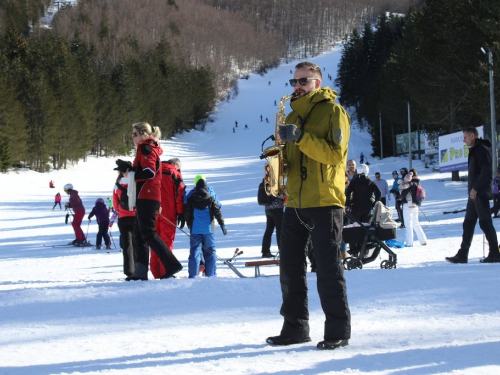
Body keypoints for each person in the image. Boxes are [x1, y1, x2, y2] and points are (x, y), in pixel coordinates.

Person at [266, 61, 351, 350]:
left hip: (325, 202)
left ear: (318, 82)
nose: (297, 86)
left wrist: (300, 137)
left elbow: (334, 155)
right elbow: (291, 162)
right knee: (289, 268)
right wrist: (277, 161)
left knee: (328, 268)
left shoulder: (334, 112)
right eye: (294, 82)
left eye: (304, 81)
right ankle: (295, 328)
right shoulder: (291, 115)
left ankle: (337, 331)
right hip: (295, 203)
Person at [124, 122, 183, 281]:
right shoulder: (145, 148)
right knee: (139, 234)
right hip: (147, 196)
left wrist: (130, 174)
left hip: (147, 196)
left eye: (135, 134)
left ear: (144, 134)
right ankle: (141, 271)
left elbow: (149, 172)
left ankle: (171, 264)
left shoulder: (146, 148)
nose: (133, 137)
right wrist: (129, 170)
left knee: (148, 233)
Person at [446, 127, 500, 263]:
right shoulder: (475, 149)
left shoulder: (481, 149)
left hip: (479, 192)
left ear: (472, 136)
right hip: (473, 194)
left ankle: (494, 252)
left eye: (465, 137)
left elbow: (486, 171)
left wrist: (475, 188)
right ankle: (462, 254)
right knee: (468, 223)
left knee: (485, 222)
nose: (463, 140)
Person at [184, 176, 227, 278]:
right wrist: (222, 225)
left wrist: (189, 223)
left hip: (195, 229)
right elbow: (217, 212)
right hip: (208, 230)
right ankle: (211, 274)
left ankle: (193, 274)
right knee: (210, 251)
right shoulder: (210, 199)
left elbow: (186, 213)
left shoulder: (191, 198)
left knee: (195, 251)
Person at [150, 158, 185, 279]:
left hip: (153, 211)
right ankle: (166, 271)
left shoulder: (155, 168)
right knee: (167, 242)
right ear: (175, 164)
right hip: (168, 213)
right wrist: (180, 212)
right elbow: (179, 194)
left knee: (155, 242)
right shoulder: (174, 172)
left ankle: (156, 272)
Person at [113, 172, 136, 277]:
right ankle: (139, 268)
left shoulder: (117, 185)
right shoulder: (136, 182)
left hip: (123, 218)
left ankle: (129, 270)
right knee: (138, 244)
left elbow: (115, 204)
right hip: (136, 217)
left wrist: (120, 211)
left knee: (127, 245)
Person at [399, 169, 427, 247]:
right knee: (416, 223)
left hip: (407, 205)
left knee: (408, 224)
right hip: (415, 204)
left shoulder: (410, 183)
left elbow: (403, 193)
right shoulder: (418, 183)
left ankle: (409, 242)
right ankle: (423, 240)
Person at [261, 193, 285, 258]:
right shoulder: (276, 183)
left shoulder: (266, 182)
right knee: (280, 230)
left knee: (268, 230)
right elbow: (281, 195)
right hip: (277, 208)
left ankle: (265, 251)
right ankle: (282, 251)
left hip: (268, 208)